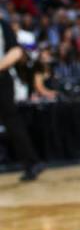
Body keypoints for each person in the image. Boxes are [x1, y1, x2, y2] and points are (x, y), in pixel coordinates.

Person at [0, 18, 44, 181]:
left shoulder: (2, 25)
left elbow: (16, 52)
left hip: (2, 78)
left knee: (12, 122)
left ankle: (32, 163)